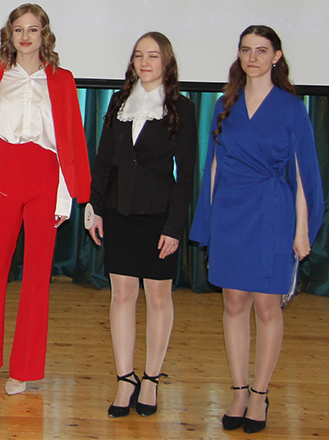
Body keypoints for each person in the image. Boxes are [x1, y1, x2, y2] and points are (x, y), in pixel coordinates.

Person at [190, 25, 323, 434]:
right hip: (230, 212)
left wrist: (302, 230)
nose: (253, 57)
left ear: (276, 57)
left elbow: (303, 174)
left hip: (272, 213)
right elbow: (213, 166)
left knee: (267, 307)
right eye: (246, 50)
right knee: (233, 304)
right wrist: (208, 222)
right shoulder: (224, 104)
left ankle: (260, 394)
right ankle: (238, 391)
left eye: (262, 50)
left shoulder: (291, 108)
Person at [0, 3, 90, 395]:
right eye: (19, 29)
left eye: (33, 29)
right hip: (3, 177)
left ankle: (25, 368)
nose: (26, 36)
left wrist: (64, 199)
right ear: (10, 35)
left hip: (45, 179)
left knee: (36, 276)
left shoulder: (62, 80)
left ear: (44, 34)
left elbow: (69, 141)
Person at [86, 32, 197, 417]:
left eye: (153, 56)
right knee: (121, 295)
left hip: (158, 216)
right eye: (138, 55)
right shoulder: (119, 102)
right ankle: (125, 379)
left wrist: (174, 226)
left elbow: (186, 175)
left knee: (159, 297)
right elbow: (104, 160)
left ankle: (150, 379)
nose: (145, 62)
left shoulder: (181, 107)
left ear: (166, 62)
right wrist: (95, 206)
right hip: (118, 211)